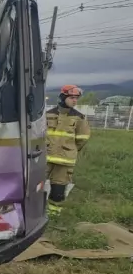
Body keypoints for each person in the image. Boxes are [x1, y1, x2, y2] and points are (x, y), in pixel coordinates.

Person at [45, 85, 91, 216]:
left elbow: (82, 139)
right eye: (71, 97)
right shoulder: (48, 114)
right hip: (44, 157)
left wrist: (70, 150)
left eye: (76, 98)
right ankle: (32, 211)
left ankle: (53, 213)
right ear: (63, 97)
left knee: (58, 188)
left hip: (65, 160)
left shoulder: (80, 118)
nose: (75, 100)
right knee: (33, 185)